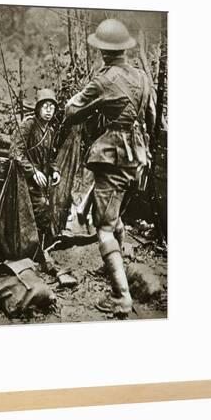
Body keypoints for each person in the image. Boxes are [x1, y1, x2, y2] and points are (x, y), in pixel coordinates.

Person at [65, 19, 156, 317]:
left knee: (103, 227)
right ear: (125, 48)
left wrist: (93, 101)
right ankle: (118, 270)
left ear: (104, 51)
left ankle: (121, 297)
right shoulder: (143, 77)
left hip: (114, 156)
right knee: (115, 217)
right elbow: (152, 117)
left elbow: (72, 111)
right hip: (138, 157)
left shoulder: (104, 80)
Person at [10, 88, 61, 248]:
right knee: (39, 211)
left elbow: (50, 158)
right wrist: (33, 171)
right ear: (38, 108)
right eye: (45, 106)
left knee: (48, 210)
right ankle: (34, 250)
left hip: (43, 179)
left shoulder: (51, 131)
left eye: (51, 107)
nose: (48, 110)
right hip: (24, 179)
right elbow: (15, 152)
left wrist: (55, 170)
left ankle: (42, 247)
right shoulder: (29, 125)